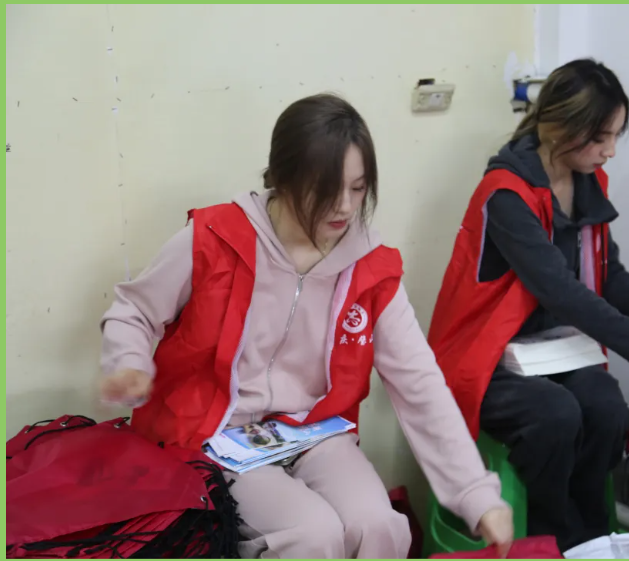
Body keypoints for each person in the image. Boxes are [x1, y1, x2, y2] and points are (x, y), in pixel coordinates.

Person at [98, 93, 513, 559]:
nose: (345, 207)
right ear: (283, 176)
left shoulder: (371, 269)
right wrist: (129, 362)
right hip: (216, 435)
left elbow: (419, 382)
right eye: (326, 189)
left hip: (313, 431)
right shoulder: (214, 239)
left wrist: (475, 492)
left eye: (358, 188)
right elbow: (134, 310)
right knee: (311, 535)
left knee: (380, 527)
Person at [427, 59, 629, 551]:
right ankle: (552, 540)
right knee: (556, 416)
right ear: (559, 127)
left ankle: (590, 536)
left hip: (552, 351)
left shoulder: (587, 182)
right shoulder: (506, 194)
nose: (610, 151)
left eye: (615, 137)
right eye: (599, 138)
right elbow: (560, 291)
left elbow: (608, 277)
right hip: (485, 357)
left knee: (608, 410)